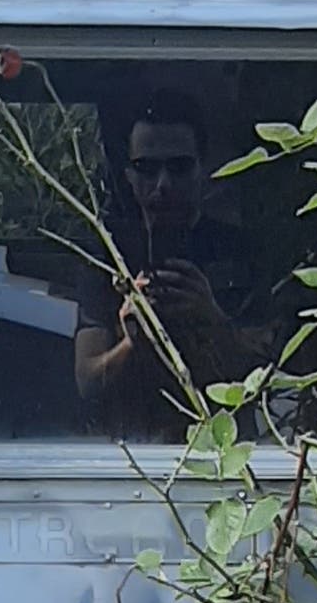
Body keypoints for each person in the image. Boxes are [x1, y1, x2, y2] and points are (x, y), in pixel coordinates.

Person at [73, 89, 275, 430]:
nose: (162, 185)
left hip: (227, 453)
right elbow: (88, 385)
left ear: (203, 169)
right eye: (147, 169)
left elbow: (267, 378)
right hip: (132, 458)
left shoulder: (243, 253)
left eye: (179, 167)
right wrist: (134, 342)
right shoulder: (107, 255)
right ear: (128, 176)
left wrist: (212, 318)